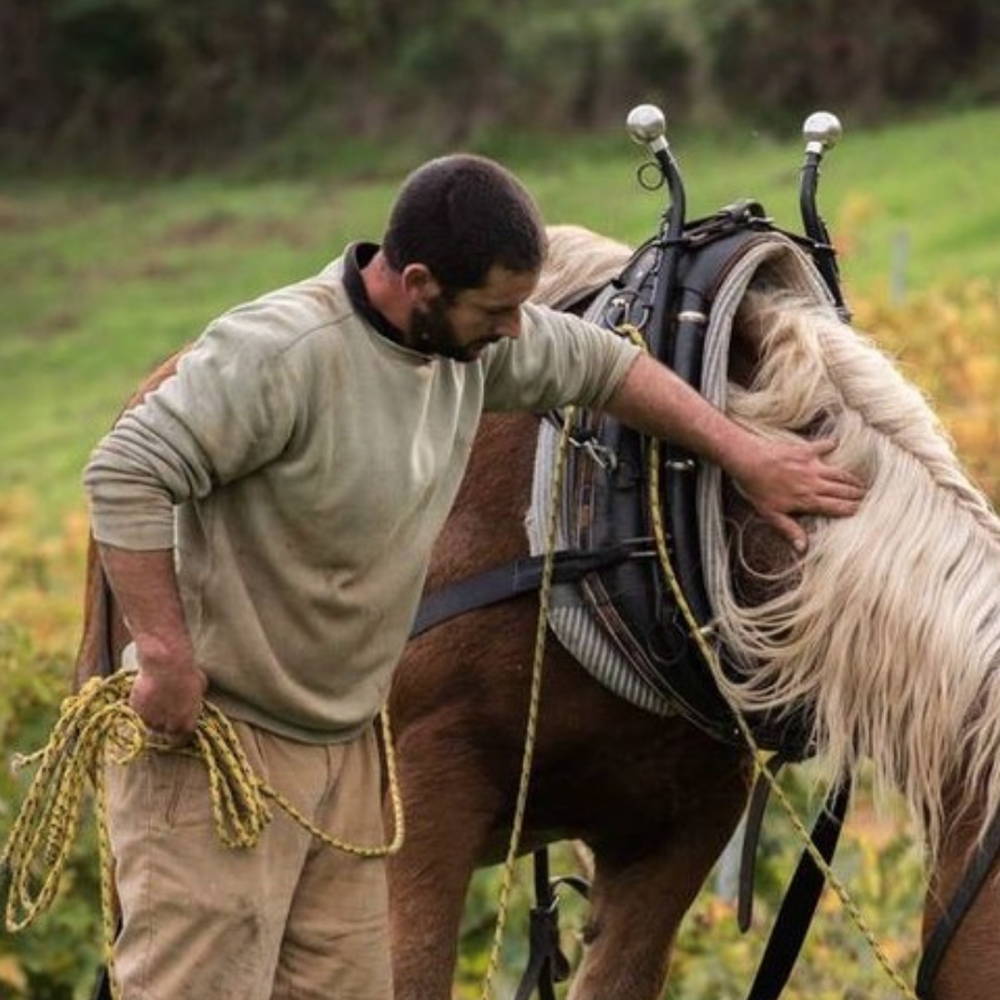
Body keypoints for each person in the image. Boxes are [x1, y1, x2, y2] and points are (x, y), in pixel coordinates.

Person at [84, 154, 864, 1000]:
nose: (513, 330)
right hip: (222, 750)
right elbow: (125, 470)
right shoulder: (283, 353)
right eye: (495, 310)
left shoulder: (465, 349)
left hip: (346, 755)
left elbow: (609, 368)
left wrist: (745, 455)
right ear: (418, 283)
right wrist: (163, 655)